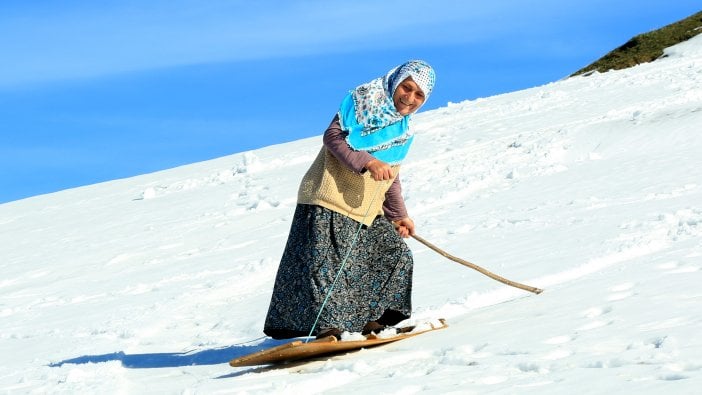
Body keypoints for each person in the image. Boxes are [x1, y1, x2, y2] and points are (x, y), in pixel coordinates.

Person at [263, 60, 436, 340]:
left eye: (419, 96)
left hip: (365, 208)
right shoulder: (362, 103)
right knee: (327, 267)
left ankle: (371, 321)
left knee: (395, 255)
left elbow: (391, 176)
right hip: (328, 196)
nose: (410, 98)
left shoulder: (403, 131)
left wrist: (398, 215)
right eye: (407, 88)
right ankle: (328, 330)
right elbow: (332, 137)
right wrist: (367, 161)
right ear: (396, 82)